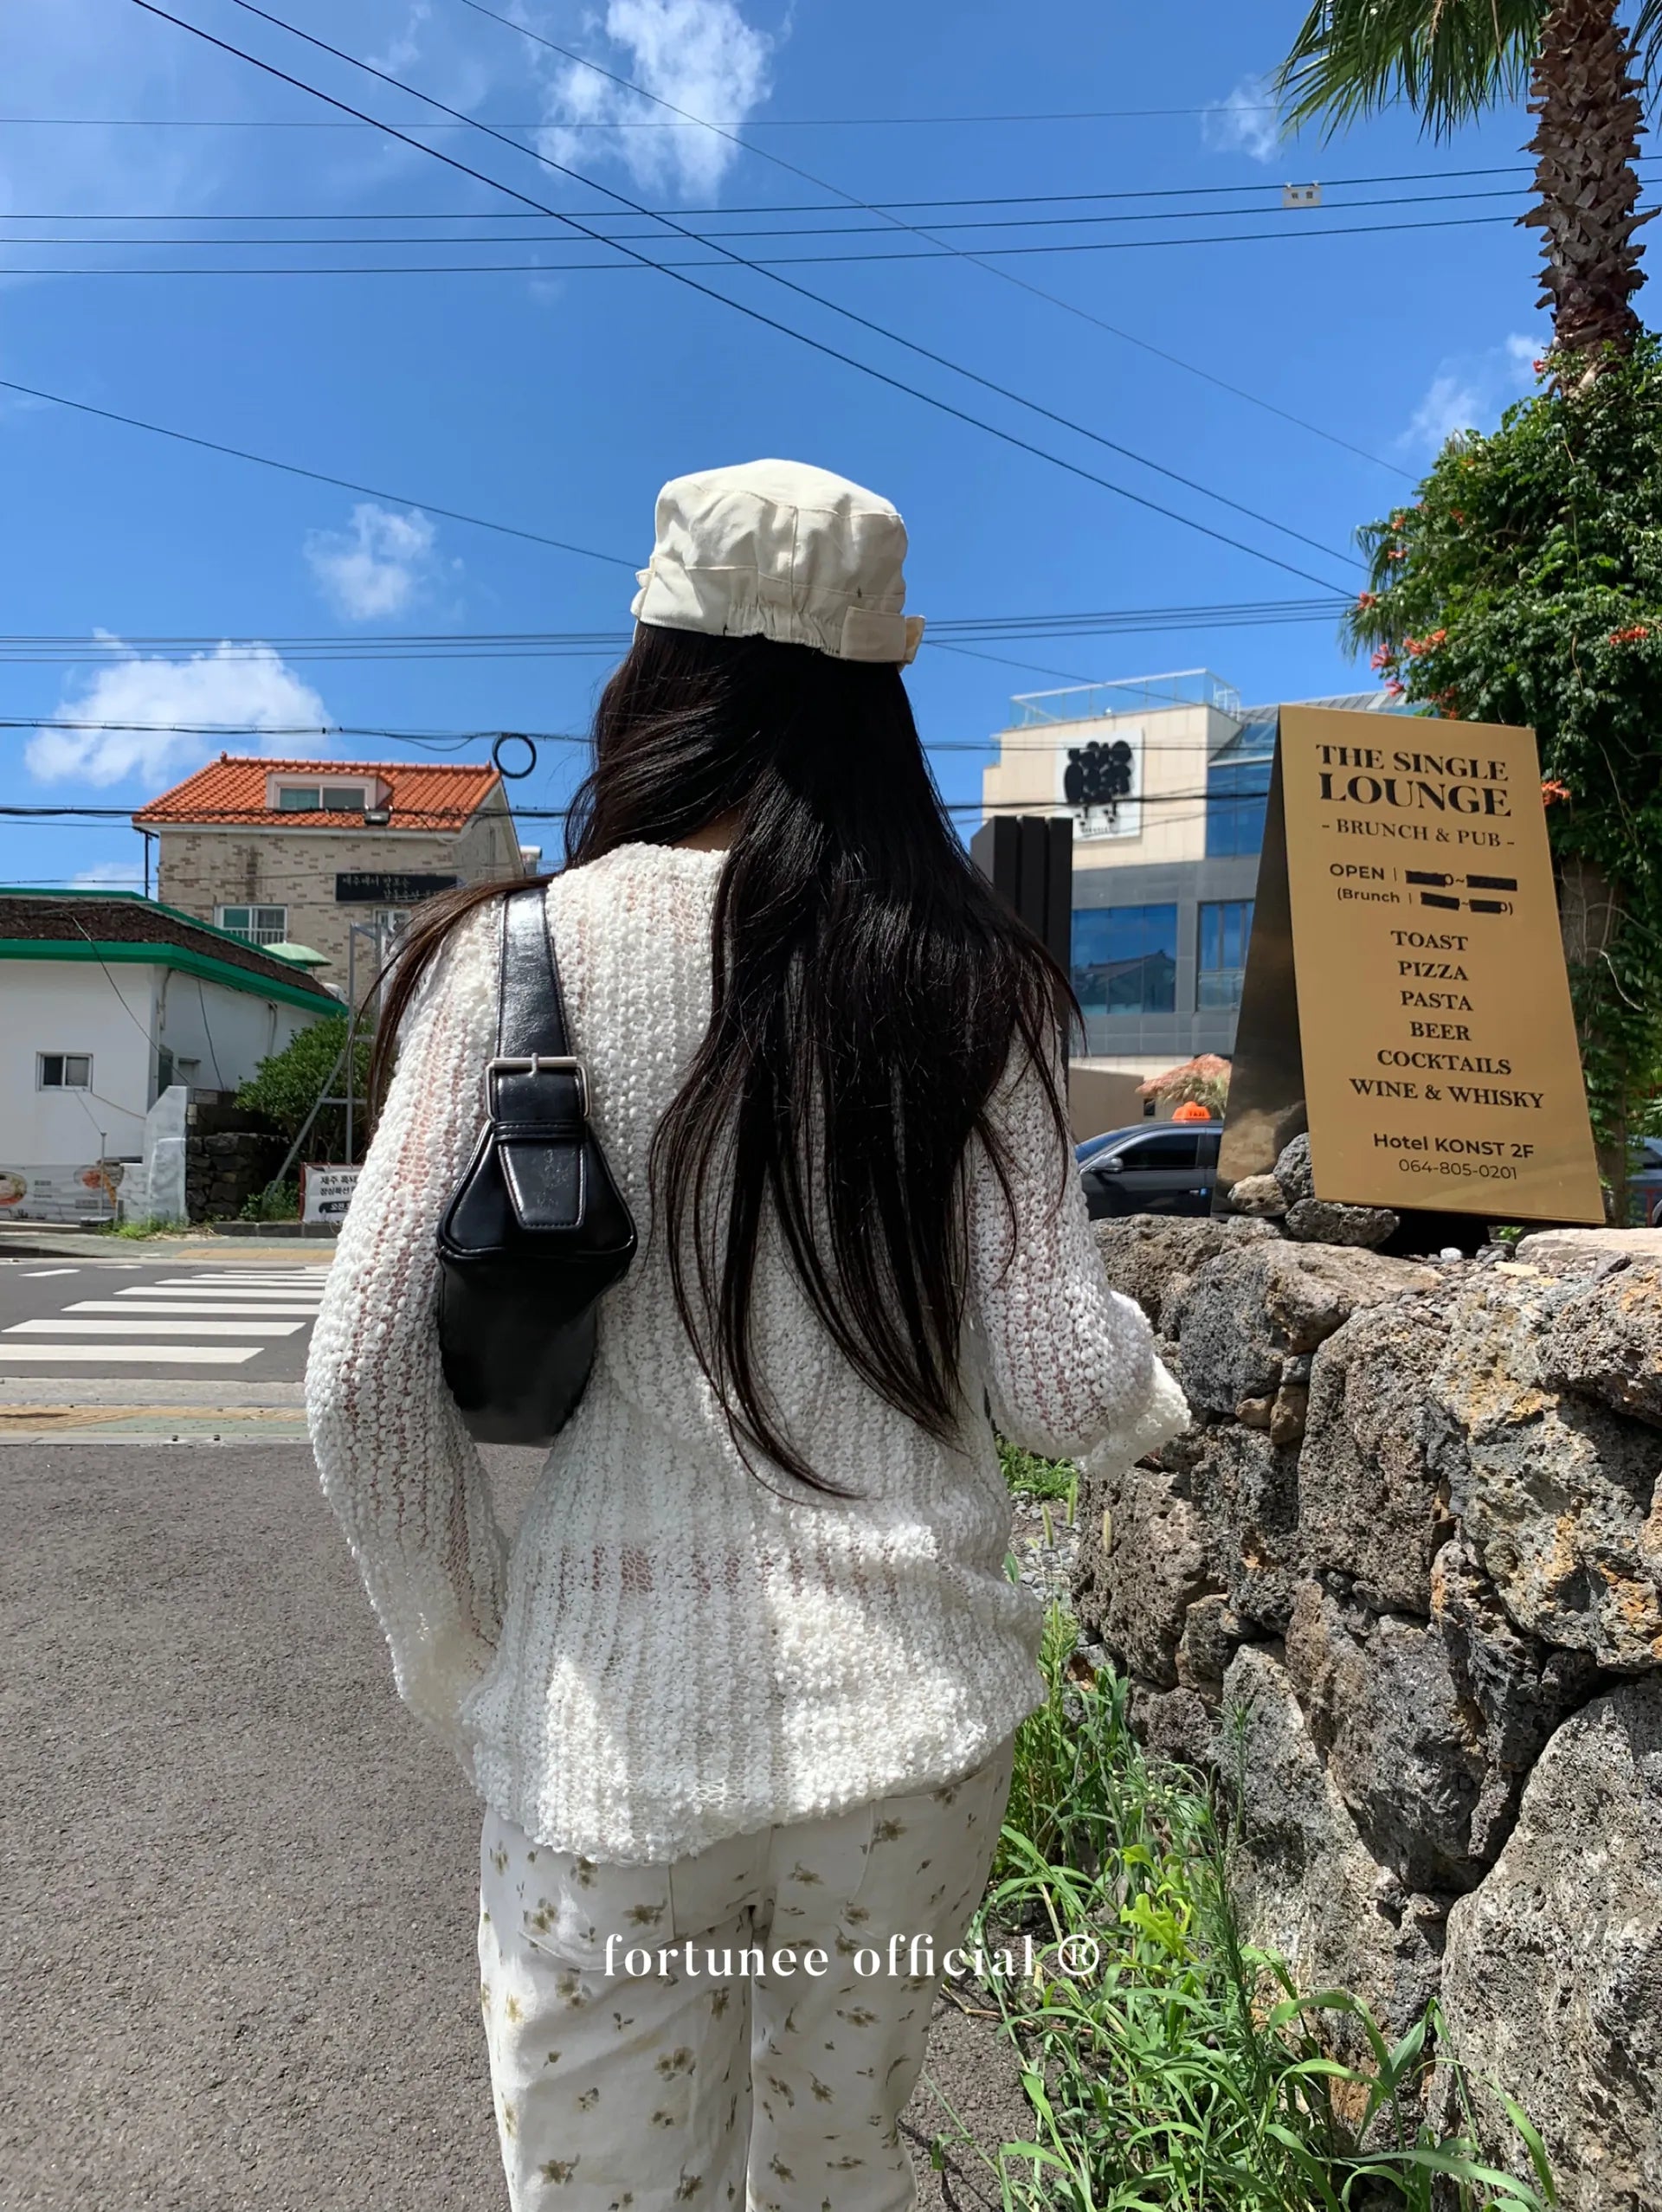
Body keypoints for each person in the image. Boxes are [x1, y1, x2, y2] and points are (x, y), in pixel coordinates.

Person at [306, 458, 1188, 2212]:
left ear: (659, 670)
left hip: (605, 1738)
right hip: (914, 1739)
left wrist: (462, 1650)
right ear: (879, 698)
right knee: (839, 2165)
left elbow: (362, 1379)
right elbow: (1054, 1384)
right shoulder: (972, 976)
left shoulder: (515, 958)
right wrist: (1146, 1367)